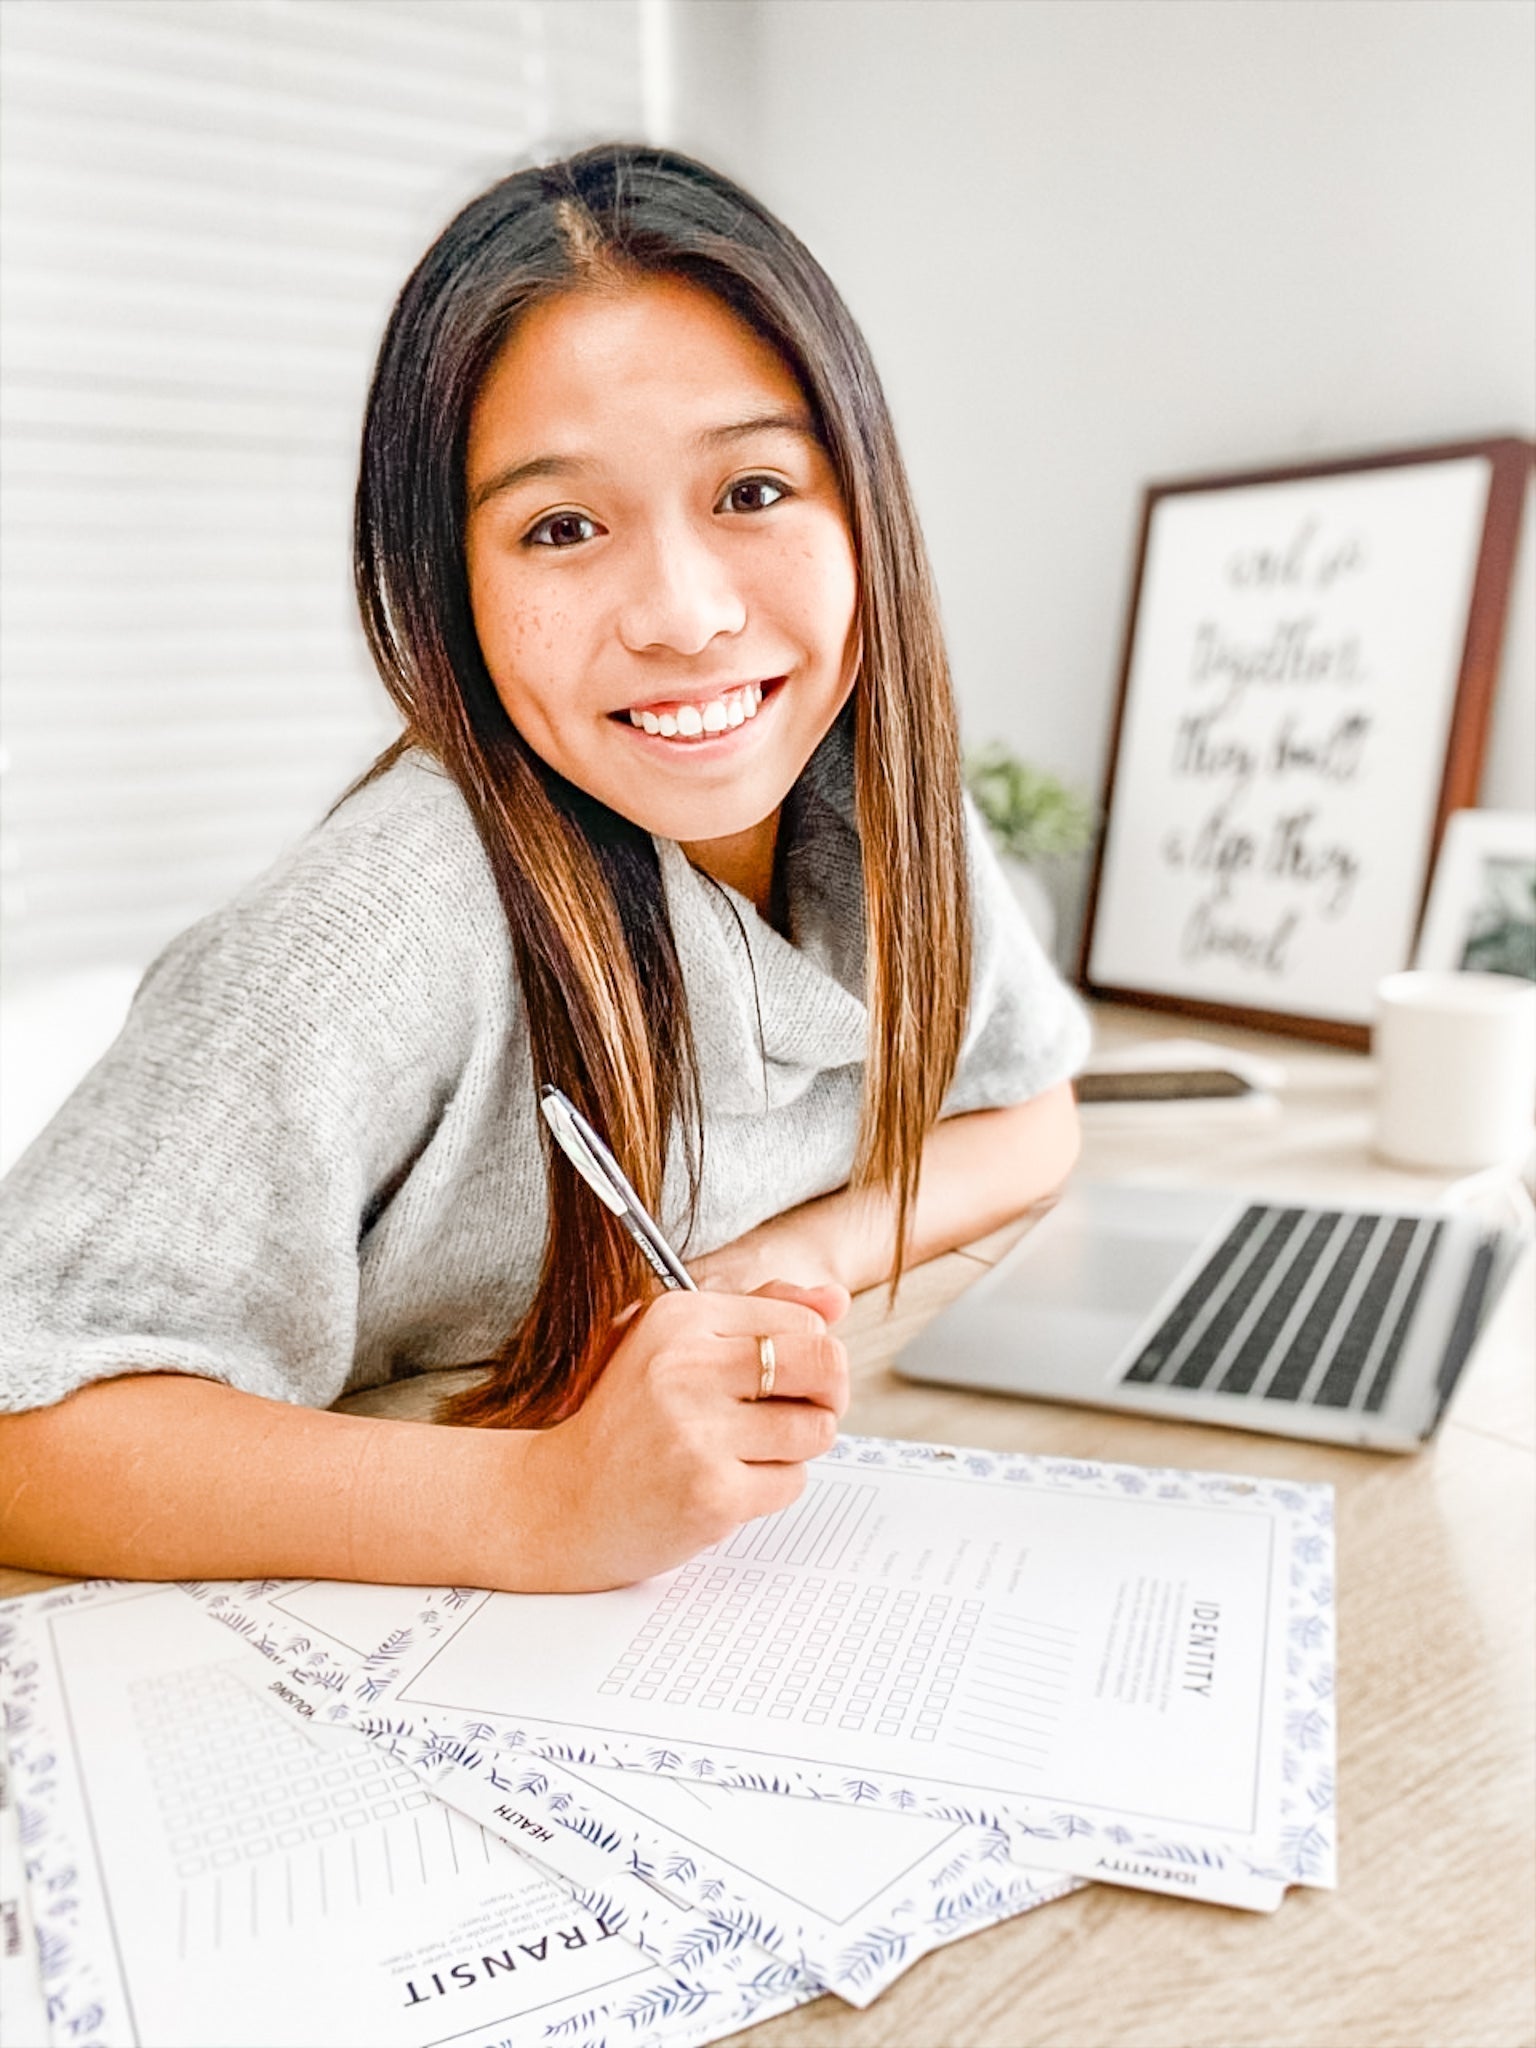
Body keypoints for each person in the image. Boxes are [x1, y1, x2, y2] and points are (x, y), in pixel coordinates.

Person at [0, 146, 1088, 1592]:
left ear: (865, 507)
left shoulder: (883, 806)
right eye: (563, 527)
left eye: (754, 489)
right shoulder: (373, 931)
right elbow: (29, 1434)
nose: (687, 616)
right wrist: (547, 1505)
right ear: (452, 590)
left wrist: (786, 1261)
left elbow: (1029, 1115)